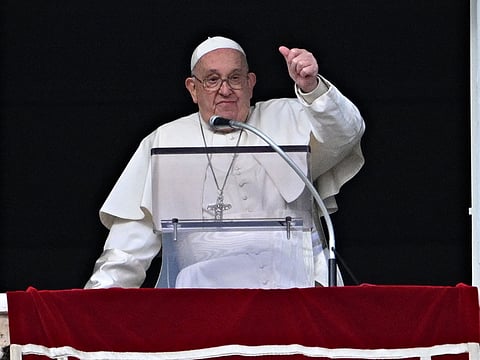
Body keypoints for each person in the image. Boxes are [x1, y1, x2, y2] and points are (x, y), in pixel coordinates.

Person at [84, 36, 365, 289]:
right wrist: (98, 303)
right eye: (212, 79)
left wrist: (312, 88)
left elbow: (346, 133)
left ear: (250, 83)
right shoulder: (165, 141)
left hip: (297, 287)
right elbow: (130, 244)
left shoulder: (287, 116)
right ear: (193, 89)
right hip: (207, 300)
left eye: (235, 78)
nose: (225, 90)